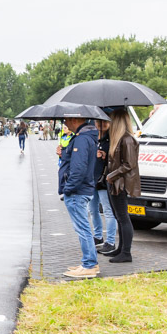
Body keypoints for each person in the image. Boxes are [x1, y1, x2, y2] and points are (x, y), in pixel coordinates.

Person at [58, 116, 99, 278]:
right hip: (82, 189)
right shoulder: (87, 137)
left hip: (77, 191)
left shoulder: (81, 139)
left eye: (66, 120)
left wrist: (68, 189)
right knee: (84, 228)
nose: (64, 123)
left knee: (82, 229)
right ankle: (90, 262)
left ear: (74, 119)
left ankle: (89, 265)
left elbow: (78, 167)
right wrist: (64, 153)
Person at [103, 110, 140, 263]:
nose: (109, 123)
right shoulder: (118, 139)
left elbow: (129, 164)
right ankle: (121, 249)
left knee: (123, 217)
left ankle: (126, 252)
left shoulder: (127, 139)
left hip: (120, 183)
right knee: (119, 217)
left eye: (111, 120)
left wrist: (111, 175)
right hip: (114, 182)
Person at [90, 119, 116, 252]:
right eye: (98, 122)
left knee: (108, 211)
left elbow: (116, 160)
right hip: (92, 179)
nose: (101, 125)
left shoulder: (111, 140)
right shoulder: (93, 139)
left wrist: (106, 157)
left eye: (105, 122)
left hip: (104, 180)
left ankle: (110, 241)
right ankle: (98, 236)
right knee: (93, 210)